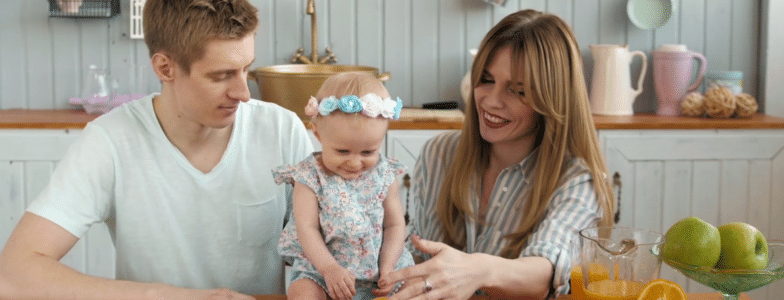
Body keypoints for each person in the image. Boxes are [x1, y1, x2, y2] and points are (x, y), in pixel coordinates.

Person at [0, 0, 313, 299]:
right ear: (165, 68)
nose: (243, 92)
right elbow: (13, 274)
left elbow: (319, 255)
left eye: (246, 69)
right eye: (221, 75)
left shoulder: (282, 131)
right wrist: (159, 295)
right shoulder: (109, 141)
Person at [379, 9, 616, 300]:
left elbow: (546, 271)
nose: (491, 101)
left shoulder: (579, 180)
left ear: (552, 99)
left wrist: (479, 270)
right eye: (487, 80)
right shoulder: (439, 153)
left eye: (517, 91)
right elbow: (418, 256)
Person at [272, 72, 414, 300]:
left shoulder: (385, 173)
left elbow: (394, 225)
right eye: (342, 151)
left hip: (379, 266)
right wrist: (329, 269)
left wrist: (387, 267)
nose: (355, 162)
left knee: (417, 286)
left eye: (368, 152)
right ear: (317, 133)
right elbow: (306, 229)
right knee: (302, 293)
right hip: (323, 270)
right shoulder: (309, 178)